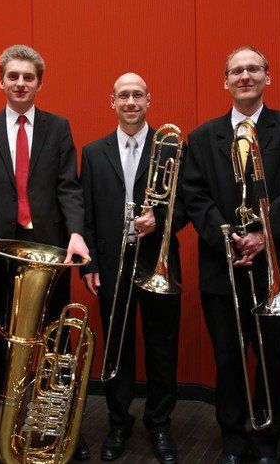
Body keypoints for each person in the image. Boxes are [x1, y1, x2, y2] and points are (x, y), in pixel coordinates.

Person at [182, 47, 280, 464]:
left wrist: (263, 235)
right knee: (229, 359)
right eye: (236, 71)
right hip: (222, 266)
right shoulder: (202, 137)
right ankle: (233, 438)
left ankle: (268, 440)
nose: (245, 76)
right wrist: (228, 237)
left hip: (276, 266)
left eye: (253, 69)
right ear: (225, 81)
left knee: (273, 360)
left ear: (267, 77)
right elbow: (194, 196)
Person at [0, 44, 90, 463]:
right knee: (2, 345)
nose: (20, 83)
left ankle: (60, 430)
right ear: (1, 81)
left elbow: (68, 186)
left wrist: (76, 234)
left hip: (52, 253)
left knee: (56, 342)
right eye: (13, 76)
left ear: (39, 84)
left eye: (28, 77)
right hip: (1, 252)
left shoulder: (58, 127)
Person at [80, 73, 184, 462]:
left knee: (162, 347)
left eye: (137, 95)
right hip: (111, 263)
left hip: (158, 260)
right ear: (112, 102)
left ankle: (160, 425)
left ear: (148, 100)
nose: (130, 102)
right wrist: (89, 263)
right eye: (123, 95)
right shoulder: (93, 152)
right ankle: (119, 424)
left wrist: (160, 218)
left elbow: (188, 202)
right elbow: (86, 212)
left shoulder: (170, 146)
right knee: (117, 348)